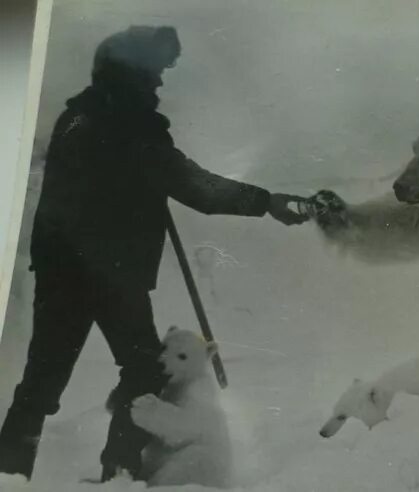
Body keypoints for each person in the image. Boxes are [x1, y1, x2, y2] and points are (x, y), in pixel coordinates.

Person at [0, 25, 308, 482]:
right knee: (144, 370)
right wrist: (266, 202)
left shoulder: (77, 117)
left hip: (61, 270)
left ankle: (9, 474)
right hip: (110, 273)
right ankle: (120, 472)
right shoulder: (129, 122)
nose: (161, 83)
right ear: (134, 72)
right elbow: (191, 184)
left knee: (43, 382)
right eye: (157, 72)